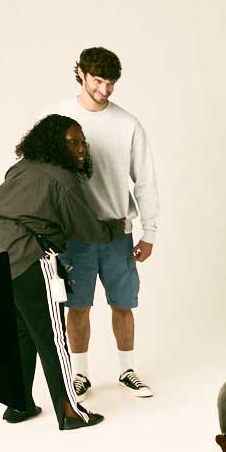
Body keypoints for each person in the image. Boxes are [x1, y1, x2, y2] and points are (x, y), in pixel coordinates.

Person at [0, 114, 121, 430]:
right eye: (73, 142)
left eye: (82, 143)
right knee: (53, 336)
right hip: (27, 255)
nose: (80, 149)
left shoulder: (21, 167)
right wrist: (118, 227)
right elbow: (88, 228)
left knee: (20, 333)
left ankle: (19, 406)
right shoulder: (62, 179)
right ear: (54, 143)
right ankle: (69, 412)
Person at [54, 46, 160, 400]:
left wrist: (150, 231)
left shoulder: (127, 124)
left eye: (111, 82)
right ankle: (80, 375)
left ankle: (127, 370)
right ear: (81, 73)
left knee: (123, 304)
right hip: (74, 235)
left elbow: (144, 179)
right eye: (98, 80)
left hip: (117, 232)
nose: (105, 89)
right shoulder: (57, 117)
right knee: (77, 306)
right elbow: (39, 174)